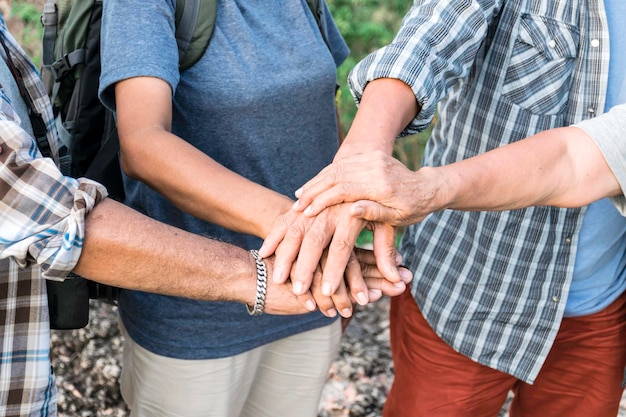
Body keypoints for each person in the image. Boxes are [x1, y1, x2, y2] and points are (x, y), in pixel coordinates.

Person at [0, 13, 403, 417]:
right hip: (193, 313)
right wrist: (301, 229)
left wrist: (334, 240)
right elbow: (142, 145)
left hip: (308, 290)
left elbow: (322, 104)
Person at [260, 0, 626, 416]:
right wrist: (360, 157)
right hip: (468, 290)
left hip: (601, 305)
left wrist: (426, 189)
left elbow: (582, 161)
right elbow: (429, 37)